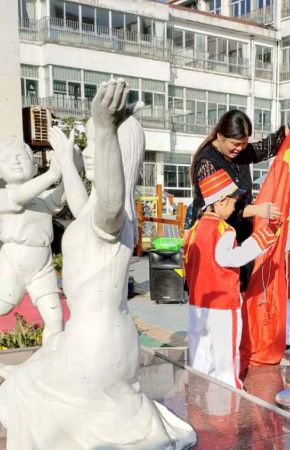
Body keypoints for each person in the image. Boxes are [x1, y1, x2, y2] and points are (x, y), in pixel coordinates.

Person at [0, 80, 196, 448]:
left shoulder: (112, 214)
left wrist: (104, 129)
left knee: (17, 394)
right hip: (106, 342)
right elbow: (83, 206)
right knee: (36, 370)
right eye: (89, 144)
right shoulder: (102, 214)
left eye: (97, 145)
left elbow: (108, 199)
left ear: (118, 152)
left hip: (94, 349)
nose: (89, 152)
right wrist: (65, 160)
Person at [184, 169, 279, 388]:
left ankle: (198, 393)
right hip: (223, 304)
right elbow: (232, 258)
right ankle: (229, 396)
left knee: (200, 353)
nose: (235, 207)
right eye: (233, 202)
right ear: (219, 201)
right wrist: (263, 237)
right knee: (226, 356)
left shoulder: (194, 229)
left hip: (198, 303)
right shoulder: (223, 230)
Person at [189, 110, 286, 290]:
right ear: (220, 136)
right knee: (222, 284)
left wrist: (287, 131)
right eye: (235, 144)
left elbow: (266, 148)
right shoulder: (207, 163)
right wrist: (256, 211)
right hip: (218, 235)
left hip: (240, 232)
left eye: (244, 143)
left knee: (239, 287)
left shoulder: (240, 152)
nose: (240, 149)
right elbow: (221, 207)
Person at [0, 137, 65, 344]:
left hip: (42, 266)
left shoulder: (41, 197)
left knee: (55, 319)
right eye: (7, 160)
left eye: (21, 157)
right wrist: (53, 174)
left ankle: (51, 356)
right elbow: (19, 197)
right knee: (2, 307)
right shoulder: (4, 195)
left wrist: (70, 169)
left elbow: (58, 198)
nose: (15, 162)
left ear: (35, 167)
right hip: (13, 263)